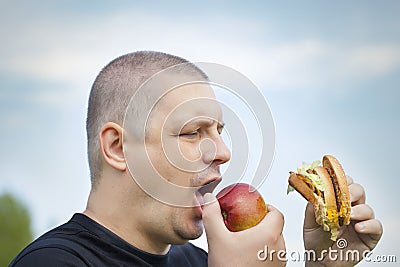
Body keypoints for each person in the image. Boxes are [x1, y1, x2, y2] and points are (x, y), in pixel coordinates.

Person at [10, 51, 382, 266]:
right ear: (118, 148)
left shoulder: (200, 262)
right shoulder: (53, 263)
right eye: (192, 133)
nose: (222, 152)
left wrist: (324, 265)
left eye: (220, 131)